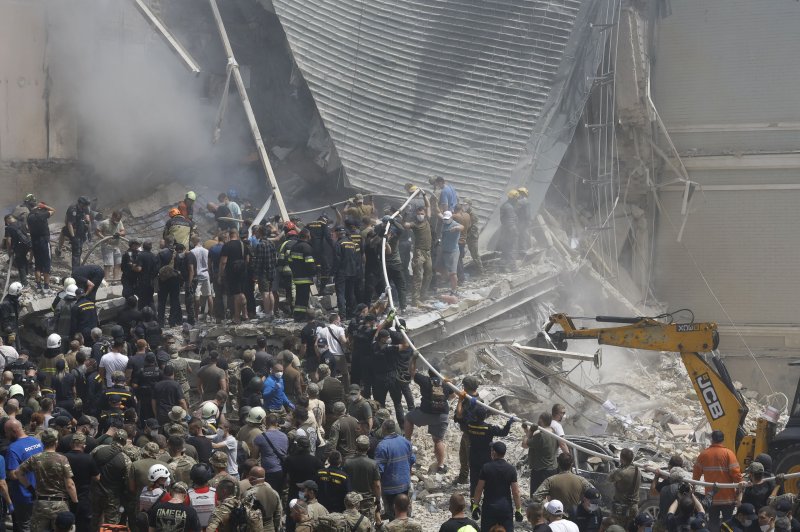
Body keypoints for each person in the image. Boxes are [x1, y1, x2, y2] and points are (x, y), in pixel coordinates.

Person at [405, 356, 451, 474]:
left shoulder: (424, 380)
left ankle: (407, 441)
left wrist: (414, 359)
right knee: (438, 440)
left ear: (428, 372)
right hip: (442, 415)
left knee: (409, 417)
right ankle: (440, 465)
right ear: (439, 373)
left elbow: (412, 372)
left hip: (425, 413)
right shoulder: (446, 384)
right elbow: (453, 396)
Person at [692, 430, 742, 531]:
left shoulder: (704, 454)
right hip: (727, 498)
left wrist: (693, 487)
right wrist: (740, 489)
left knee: (713, 522)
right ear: (723, 440)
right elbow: (736, 475)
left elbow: (696, 476)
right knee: (728, 523)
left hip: (712, 498)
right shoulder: (729, 454)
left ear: (711, 439)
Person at [461, 405, 514, 499]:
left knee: (474, 481)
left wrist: (469, 408)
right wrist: (509, 423)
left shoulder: (469, 426)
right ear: (485, 417)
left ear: (475, 416)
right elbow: (503, 433)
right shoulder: (489, 428)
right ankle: (487, 499)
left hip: (473, 457)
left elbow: (463, 419)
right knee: (487, 479)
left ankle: (474, 502)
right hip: (486, 458)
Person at [472, 441, 523, 532]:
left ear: (494, 453)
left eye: (492, 450)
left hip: (489, 507)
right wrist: (518, 509)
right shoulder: (511, 469)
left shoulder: (486, 467)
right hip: (505, 508)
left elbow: (479, 489)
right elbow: (515, 492)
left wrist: (475, 506)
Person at [6, 418, 44, 529]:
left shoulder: (12, 449)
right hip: (40, 491)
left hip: (24, 495)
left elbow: (14, 474)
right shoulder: (37, 442)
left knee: (25, 525)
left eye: (6, 432)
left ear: (13, 431)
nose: (5, 435)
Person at [90, 429, 132, 529]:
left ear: (113, 438)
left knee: (93, 520)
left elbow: (88, 463)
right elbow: (128, 480)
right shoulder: (125, 459)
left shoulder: (98, 449)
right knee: (111, 525)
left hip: (94, 492)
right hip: (112, 497)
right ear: (125, 442)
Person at [375, 419, 415, 519]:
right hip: (404, 484)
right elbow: (412, 460)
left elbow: (379, 470)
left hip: (389, 487)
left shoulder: (382, 446)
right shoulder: (405, 441)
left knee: (393, 515)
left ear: (383, 429)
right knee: (404, 510)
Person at [523, 412, 567, 496]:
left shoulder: (540, 436)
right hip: (552, 469)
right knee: (549, 494)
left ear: (541, 420)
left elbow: (524, 444)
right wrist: (526, 428)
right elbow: (532, 440)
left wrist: (530, 431)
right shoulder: (554, 433)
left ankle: (537, 508)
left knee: (537, 496)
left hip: (540, 471)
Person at [343, 435, 382, 520]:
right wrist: (378, 501)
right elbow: (377, 485)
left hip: (351, 502)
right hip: (367, 502)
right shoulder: (373, 464)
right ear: (368, 448)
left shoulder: (347, 462)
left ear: (356, 447)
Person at [218, 228, 250, 324]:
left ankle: (237, 317)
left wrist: (221, 274)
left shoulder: (227, 246)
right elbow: (247, 260)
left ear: (229, 235)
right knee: (241, 292)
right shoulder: (243, 245)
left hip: (232, 272)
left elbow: (223, 262)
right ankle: (245, 315)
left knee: (237, 294)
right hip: (243, 272)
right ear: (237, 234)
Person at [254, 413, 289, 494]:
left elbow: (254, 457)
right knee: (279, 494)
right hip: (282, 470)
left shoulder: (260, 437)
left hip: (268, 471)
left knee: (268, 494)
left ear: (266, 423)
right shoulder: (285, 436)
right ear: (276, 423)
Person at [26, 201, 55, 290]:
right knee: (46, 263)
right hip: (44, 241)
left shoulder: (29, 216)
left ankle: (38, 285)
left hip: (35, 241)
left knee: (38, 264)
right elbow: (53, 210)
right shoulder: (43, 215)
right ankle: (46, 286)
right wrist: (44, 206)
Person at [609, 448, 641, 529]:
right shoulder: (637, 470)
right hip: (633, 507)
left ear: (622, 459)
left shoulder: (621, 472)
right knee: (630, 528)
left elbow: (609, 478)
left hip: (622, 508)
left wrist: (618, 467)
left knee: (617, 528)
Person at [289, 228, 316, 322]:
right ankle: (302, 317)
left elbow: (290, 262)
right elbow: (310, 263)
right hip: (305, 277)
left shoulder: (294, 247)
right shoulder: (307, 247)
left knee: (299, 298)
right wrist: (314, 272)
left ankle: (297, 315)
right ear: (307, 236)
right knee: (304, 298)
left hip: (297, 277)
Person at [333, 226, 359, 319]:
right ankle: (351, 314)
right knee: (350, 293)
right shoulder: (352, 243)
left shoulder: (339, 243)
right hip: (352, 272)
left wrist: (334, 272)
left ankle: (342, 316)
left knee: (340, 294)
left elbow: (337, 259)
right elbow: (357, 259)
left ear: (338, 233)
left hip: (341, 273)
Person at [157, 237, 183, 327]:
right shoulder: (179, 254)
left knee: (162, 302)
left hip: (163, 280)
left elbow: (157, 267)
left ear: (166, 242)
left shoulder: (161, 253)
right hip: (175, 279)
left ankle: (160, 322)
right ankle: (172, 321)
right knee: (174, 300)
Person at [60, 196, 91, 269]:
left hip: (80, 227)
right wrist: (73, 237)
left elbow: (88, 220)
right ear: (80, 203)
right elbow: (69, 223)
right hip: (72, 227)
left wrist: (89, 232)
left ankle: (78, 264)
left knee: (79, 247)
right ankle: (59, 248)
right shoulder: (72, 209)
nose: (85, 207)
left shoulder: (86, 208)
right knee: (64, 232)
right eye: (84, 205)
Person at [95, 210, 126, 281]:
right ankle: (107, 280)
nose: (118, 220)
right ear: (113, 216)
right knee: (108, 264)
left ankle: (115, 280)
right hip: (107, 246)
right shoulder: (104, 223)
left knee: (118, 263)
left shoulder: (119, 222)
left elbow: (123, 231)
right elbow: (97, 231)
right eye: (117, 218)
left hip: (116, 246)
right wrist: (104, 238)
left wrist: (120, 233)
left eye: (119, 219)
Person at [133, 241, 159, 310]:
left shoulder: (140, 255)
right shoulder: (154, 256)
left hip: (142, 282)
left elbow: (139, 269)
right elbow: (156, 270)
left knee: (141, 301)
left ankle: (141, 318)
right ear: (151, 247)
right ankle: (154, 317)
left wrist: (132, 267)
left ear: (143, 247)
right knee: (150, 300)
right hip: (151, 282)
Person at [499, 190, 520, 272]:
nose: (517, 200)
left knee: (505, 247)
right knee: (512, 248)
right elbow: (511, 221)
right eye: (516, 199)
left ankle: (502, 266)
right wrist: (515, 231)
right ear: (513, 199)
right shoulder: (509, 207)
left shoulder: (505, 205)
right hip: (511, 230)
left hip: (505, 229)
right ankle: (513, 267)